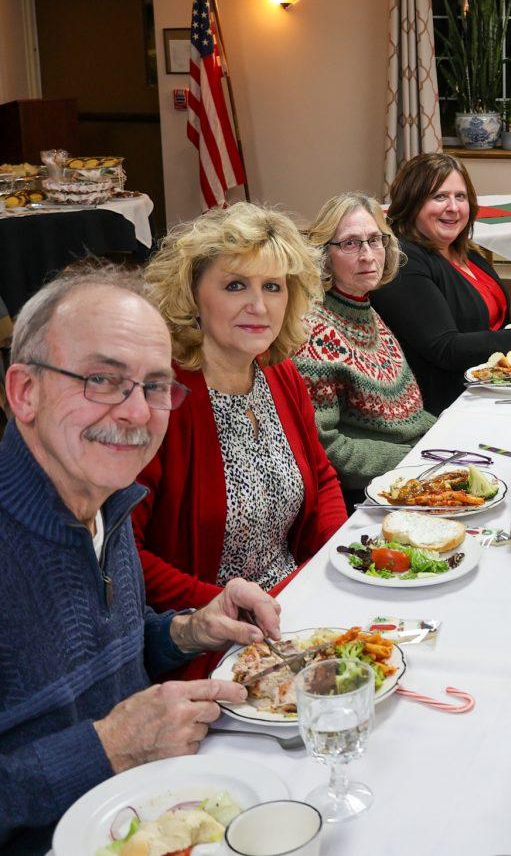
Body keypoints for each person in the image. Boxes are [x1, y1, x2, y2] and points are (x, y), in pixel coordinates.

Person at [0, 265, 282, 853]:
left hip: (148, 816)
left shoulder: (107, 496)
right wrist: (107, 745)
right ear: (24, 391)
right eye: (102, 379)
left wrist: (187, 629)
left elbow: (100, 655)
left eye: (155, 386)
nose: (136, 413)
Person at [134, 203, 346, 614]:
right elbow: (124, 555)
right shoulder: (159, 399)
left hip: (298, 597)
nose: (259, 306)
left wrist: (337, 563)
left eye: (273, 286)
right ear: (192, 296)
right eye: (235, 286)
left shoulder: (280, 373)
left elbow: (320, 480)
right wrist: (225, 610)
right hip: (203, 627)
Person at [373, 153, 511, 415]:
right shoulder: (404, 261)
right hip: (446, 405)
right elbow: (446, 348)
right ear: (412, 203)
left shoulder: (465, 252)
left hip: (491, 388)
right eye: (439, 196)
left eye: (460, 196)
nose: (453, 207)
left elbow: (492, 327)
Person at [294, 193, 436, 505]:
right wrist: (417, 461)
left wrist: (446, 438)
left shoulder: (364, 309)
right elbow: (324, 449)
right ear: (323, 255)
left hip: (413, 469)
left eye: (375, 240)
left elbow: (408, 414)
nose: (368, 255)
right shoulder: (313, 330)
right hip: (371, 494)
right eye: (350, 243)